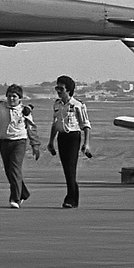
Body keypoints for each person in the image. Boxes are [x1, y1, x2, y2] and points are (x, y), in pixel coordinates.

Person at [0, 84, 39, 208]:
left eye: (14, 96)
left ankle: (15, 199)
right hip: (5, 142)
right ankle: (24, 193)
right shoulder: (1, 107)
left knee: (15, 169)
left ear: (20, 98)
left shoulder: (24, 111)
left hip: (19, 141)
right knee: (9, 171)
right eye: (9, 96)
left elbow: (31, 128)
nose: (11, 99)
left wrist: (35, 145)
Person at [48, 75, 93, 208]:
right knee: (66, 169)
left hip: (73, 137)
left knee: (70, 168)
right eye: (57, 88)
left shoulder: (78, 105)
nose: (58, 91)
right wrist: (51, 142)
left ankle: (71, 198)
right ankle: (73, 197)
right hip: (62, 137)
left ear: (68, 90)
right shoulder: (57, 104)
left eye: (61, 88)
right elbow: (55, 123)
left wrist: (86, 143)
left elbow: (86, 125)